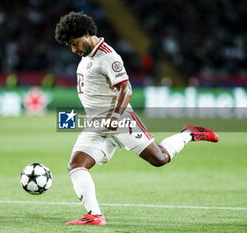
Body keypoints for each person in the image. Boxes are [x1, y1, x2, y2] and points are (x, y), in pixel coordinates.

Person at [54, 12, 219, 225]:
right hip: (96, 123)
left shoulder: (107, 55)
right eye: (70, 45)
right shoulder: (87, 57)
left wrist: (115, 117)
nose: (73, 49)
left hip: (120, 120)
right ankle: (94, 215)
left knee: (159, 158)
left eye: (74, 43)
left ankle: (190, 133)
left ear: (87, 34)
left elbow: (125, 87)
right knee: (76, 165)